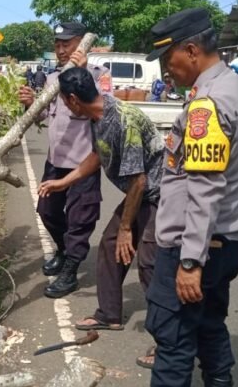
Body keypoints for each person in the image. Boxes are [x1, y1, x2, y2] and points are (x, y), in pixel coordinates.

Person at [122, 8, 238, 387]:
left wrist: (189, 262)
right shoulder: (236, 87)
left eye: (169, 61)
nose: (166, 72)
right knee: (210, 320)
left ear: (193, 50)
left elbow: (203, 188)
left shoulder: (208, 104)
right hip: (229, 238)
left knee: (173, 330)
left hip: (196, 243)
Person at [37, 67, 164, 331]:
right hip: (140, 193)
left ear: (73, 99)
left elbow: (139, 180)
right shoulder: (96, 117)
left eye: (62, 100)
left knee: (149, 262)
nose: (62, 105)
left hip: (161, 196)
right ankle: (109, 314)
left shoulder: (122, 120)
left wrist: (127, 228)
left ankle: (168, 340)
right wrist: (62, 182)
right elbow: (97, 156)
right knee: (110, 245)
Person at [18, 22, 110, 298]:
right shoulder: (52, 79)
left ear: (81, 44)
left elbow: (105, 110)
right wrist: (30, 104)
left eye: (66, 44)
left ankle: (70, 271)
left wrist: (81, 73)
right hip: (55, 161)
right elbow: (46, 117)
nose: (60, 50)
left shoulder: (99, 74)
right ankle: (63, 249)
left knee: (80, 220)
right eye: (57, 45)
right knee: (47, 211)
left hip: (84, 162)